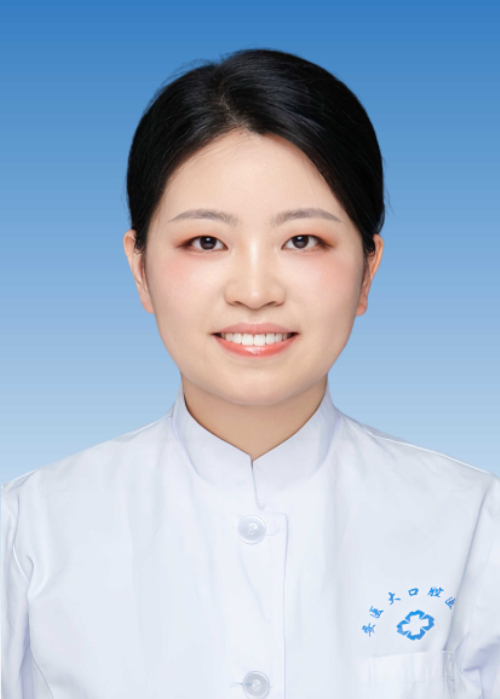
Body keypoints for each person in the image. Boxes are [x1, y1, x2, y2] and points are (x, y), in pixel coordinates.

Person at [1, 48, 499, 699]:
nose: (255, 291)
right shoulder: (30, 530)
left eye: (303, 241)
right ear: (140, 268)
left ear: (367, 270)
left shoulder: (474, 522)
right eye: (206, 242)